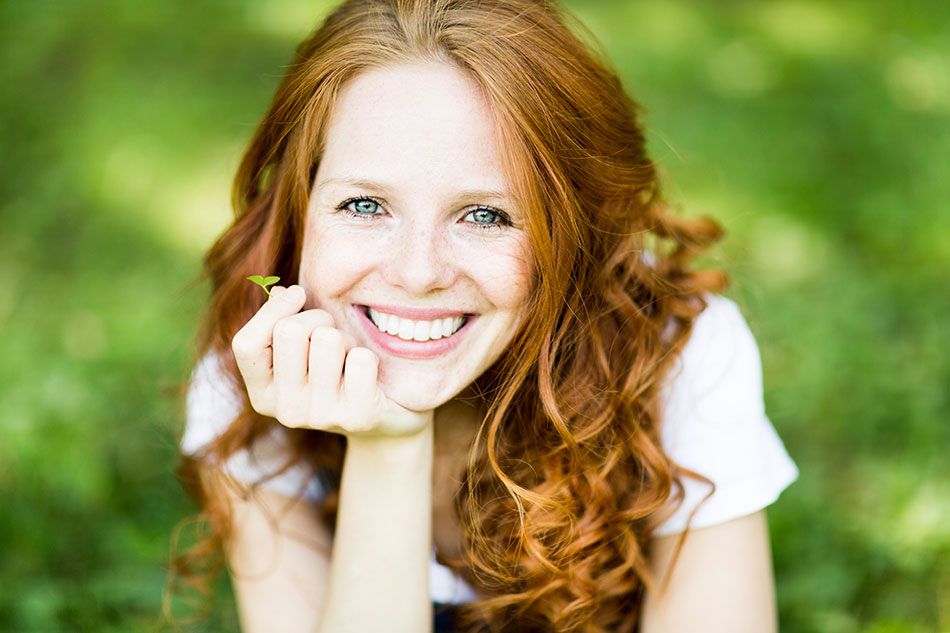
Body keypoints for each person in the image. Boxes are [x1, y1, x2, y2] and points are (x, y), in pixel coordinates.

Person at [171, 0, 798, 631]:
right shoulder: (251, 378)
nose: (418, 274)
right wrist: (389, 447)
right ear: (300, 208)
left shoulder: (677, 356)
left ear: (570, 230)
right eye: (364, 204)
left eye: (486, 215)